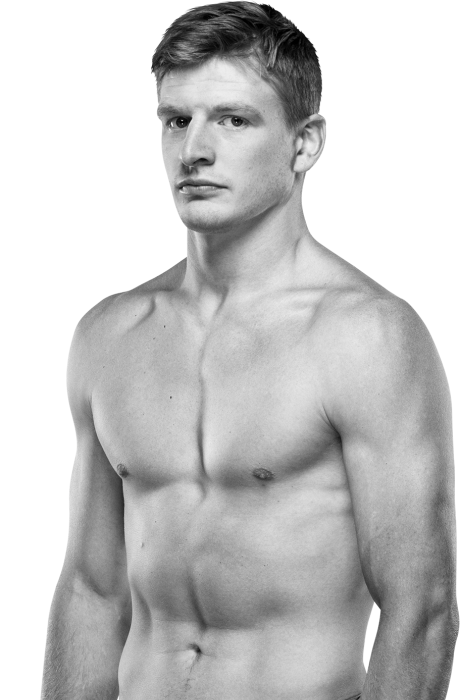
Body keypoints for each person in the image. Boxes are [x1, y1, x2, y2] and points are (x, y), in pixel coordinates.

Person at [41, 2, 457, 699]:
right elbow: (91, 589)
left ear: (306, 143)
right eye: (177, 120)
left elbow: (421, 609)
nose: (194, 150)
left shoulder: (368, 336)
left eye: (233, 120)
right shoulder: (109, 336)